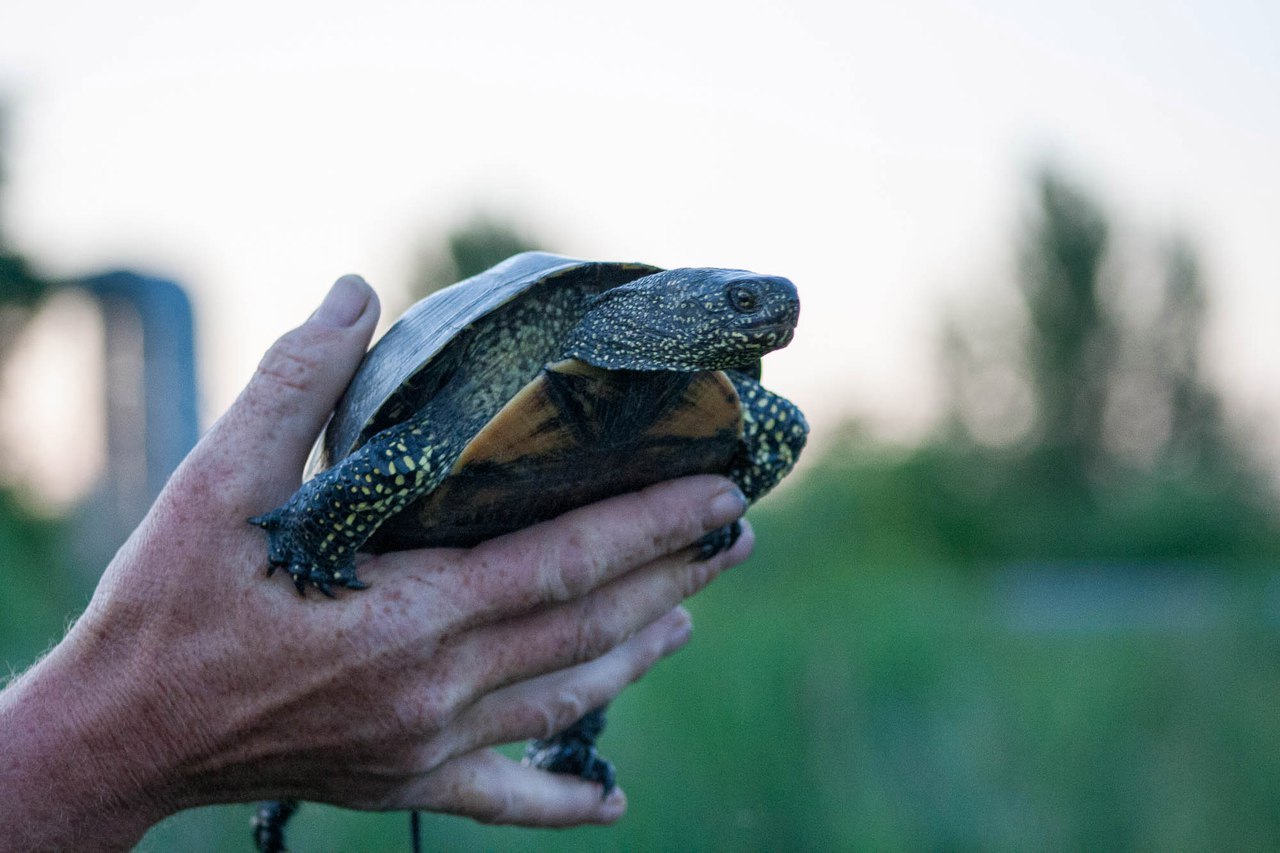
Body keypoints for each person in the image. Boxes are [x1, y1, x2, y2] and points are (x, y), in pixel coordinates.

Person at [0, 275, 753, 851]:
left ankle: (566, 737)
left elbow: (759, 425)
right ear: (667, 304)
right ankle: (285, 792)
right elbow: (404, 447)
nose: (768, 314)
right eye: (741, 302)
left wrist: (736, 486)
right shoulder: (528, 334)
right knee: (423, 464)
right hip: (419, 479)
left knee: (575, 609)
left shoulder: (688, 368)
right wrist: (304, 536)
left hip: (576, 501)